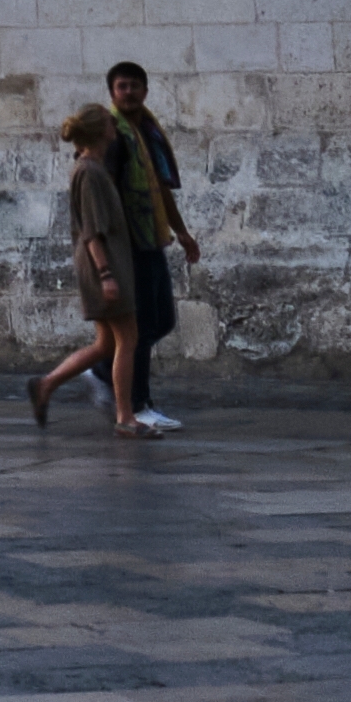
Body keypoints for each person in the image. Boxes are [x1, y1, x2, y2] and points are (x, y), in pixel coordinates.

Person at [24, 100, 143, 439]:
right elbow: (91, 231)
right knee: (128, 338)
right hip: (103, 265)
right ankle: (125, 415)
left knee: (107, 344)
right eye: (108, 122)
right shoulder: (89, 172)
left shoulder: (91, 168)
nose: (114, 126)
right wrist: (106, 276)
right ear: (97, 131)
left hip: (105, 263)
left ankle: (46, 385)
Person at [105, 62, 201, 436]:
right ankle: (137, 403)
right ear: (112, 92)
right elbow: (105, 192)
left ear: (146, 90)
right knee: (142, 326)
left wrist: (182, 233)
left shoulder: (144, 130)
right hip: (129, 241)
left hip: (151, 235)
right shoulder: (114, 135)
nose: (128, 92)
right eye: (121, 87)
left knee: (162, 320)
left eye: (134, 86)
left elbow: (160, 188)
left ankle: (103, 374)